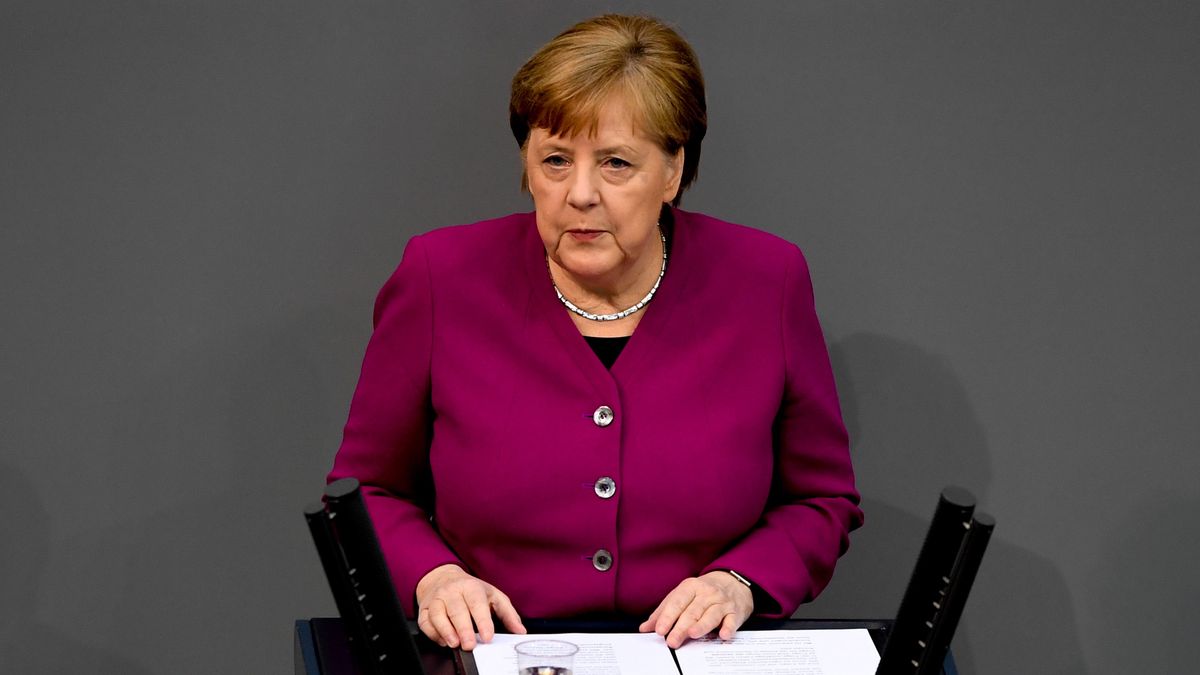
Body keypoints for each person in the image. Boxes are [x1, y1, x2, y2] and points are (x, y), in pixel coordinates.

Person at [328, 14, 862, 653]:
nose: (579, 194)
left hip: (696, 658)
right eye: (555, 160)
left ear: (672, 172)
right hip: (501, 653)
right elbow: (367, 492)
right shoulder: (440, 277)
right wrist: (433, 576)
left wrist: (739, 581)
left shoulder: (766, 281)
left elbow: (821, 499)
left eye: (615, 163)